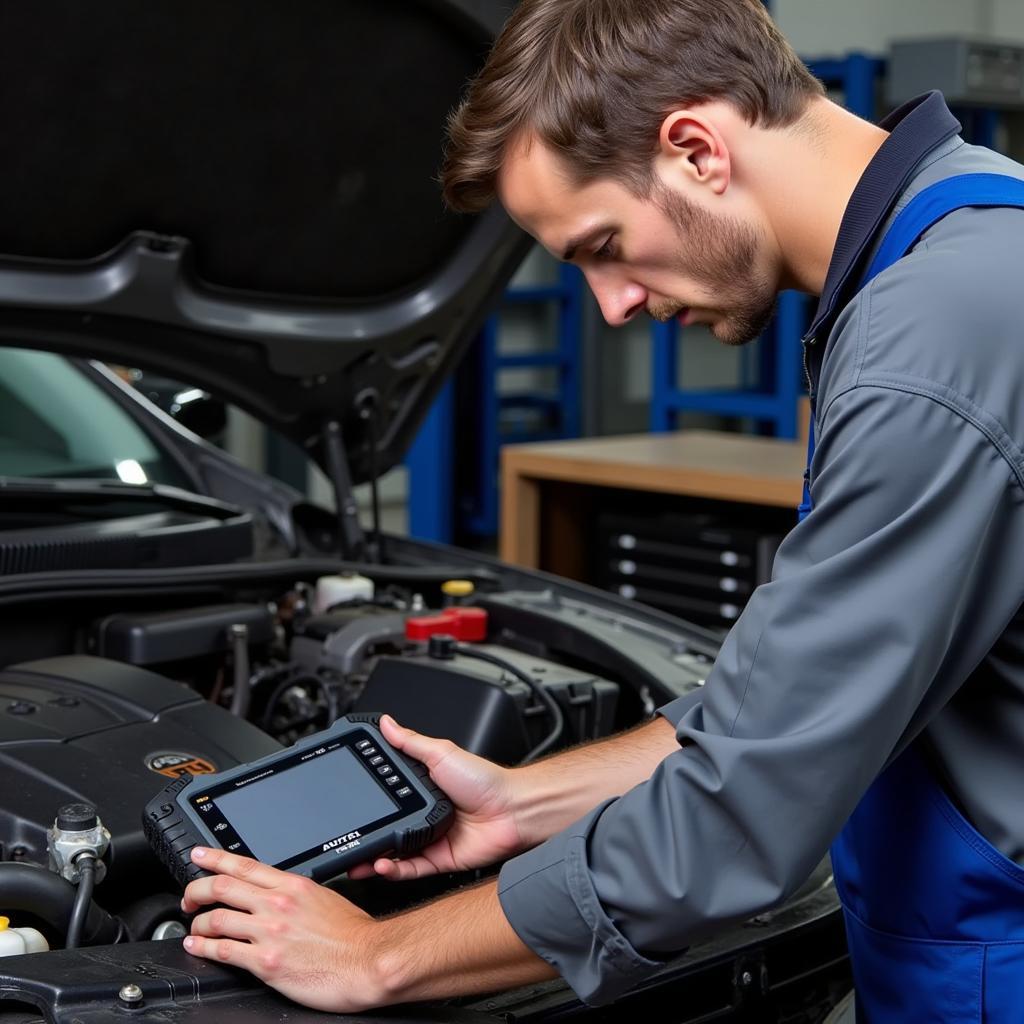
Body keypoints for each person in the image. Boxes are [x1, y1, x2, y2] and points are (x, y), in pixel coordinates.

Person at [180, 1, 1024, 1018]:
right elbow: (790, 706)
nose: (613, 305)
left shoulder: (928, 347)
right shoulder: (968, 236)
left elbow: (740, 818)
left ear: (697, 149)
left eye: (602, 244)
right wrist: (524, 803)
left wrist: (379, 957)